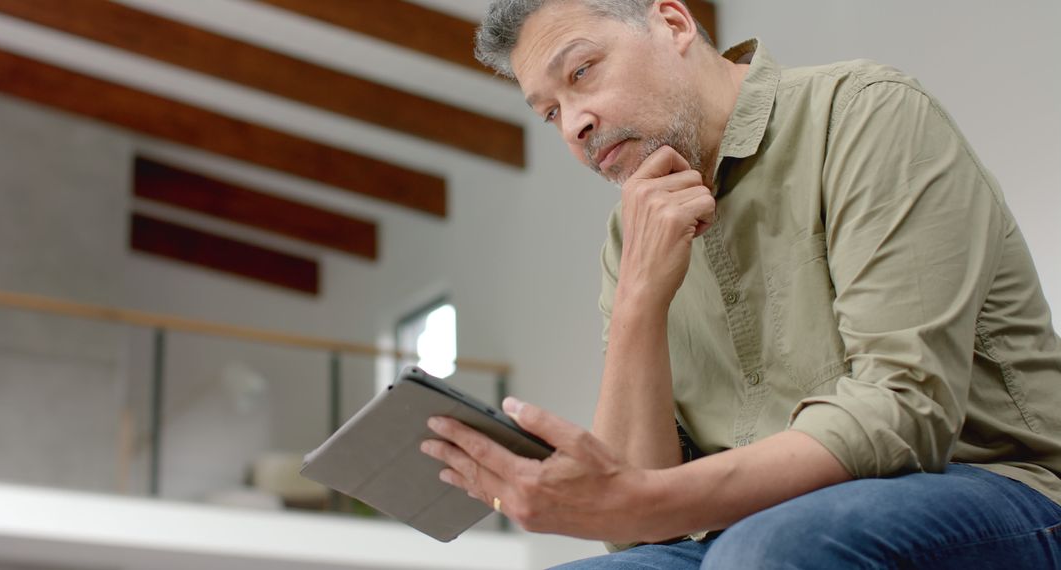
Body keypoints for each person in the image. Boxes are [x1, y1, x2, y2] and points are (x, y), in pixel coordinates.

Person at [419, 0, 1061, 567]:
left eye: (582, 71)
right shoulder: (631, 231)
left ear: (672, 22)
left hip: (991, 486)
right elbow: (634, 531)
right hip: (740, 532)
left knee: (763, 551)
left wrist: (644, 500)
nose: (572, 125)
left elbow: (904, 412)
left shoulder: (864, 113)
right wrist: (639, 298)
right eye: (549, 111)